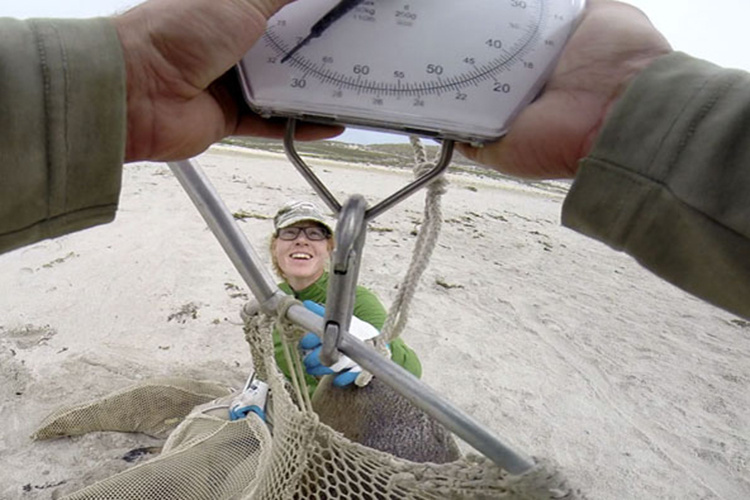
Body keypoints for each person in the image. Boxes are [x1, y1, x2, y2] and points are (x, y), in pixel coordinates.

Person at [1, 0, 748, 319]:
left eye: (311, 238)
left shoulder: (352, 305)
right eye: (293, 236)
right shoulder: (284, 304)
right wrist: (649, 122)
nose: (301, 243)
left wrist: (124, 83)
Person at [268, 200, 422, 396]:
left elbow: (412, 369)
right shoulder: (271, 297)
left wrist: (375, 349)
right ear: (275, 246)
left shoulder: (354, 298)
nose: (301, 240)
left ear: (329, 249)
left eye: (314, 234)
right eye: (290, 233)